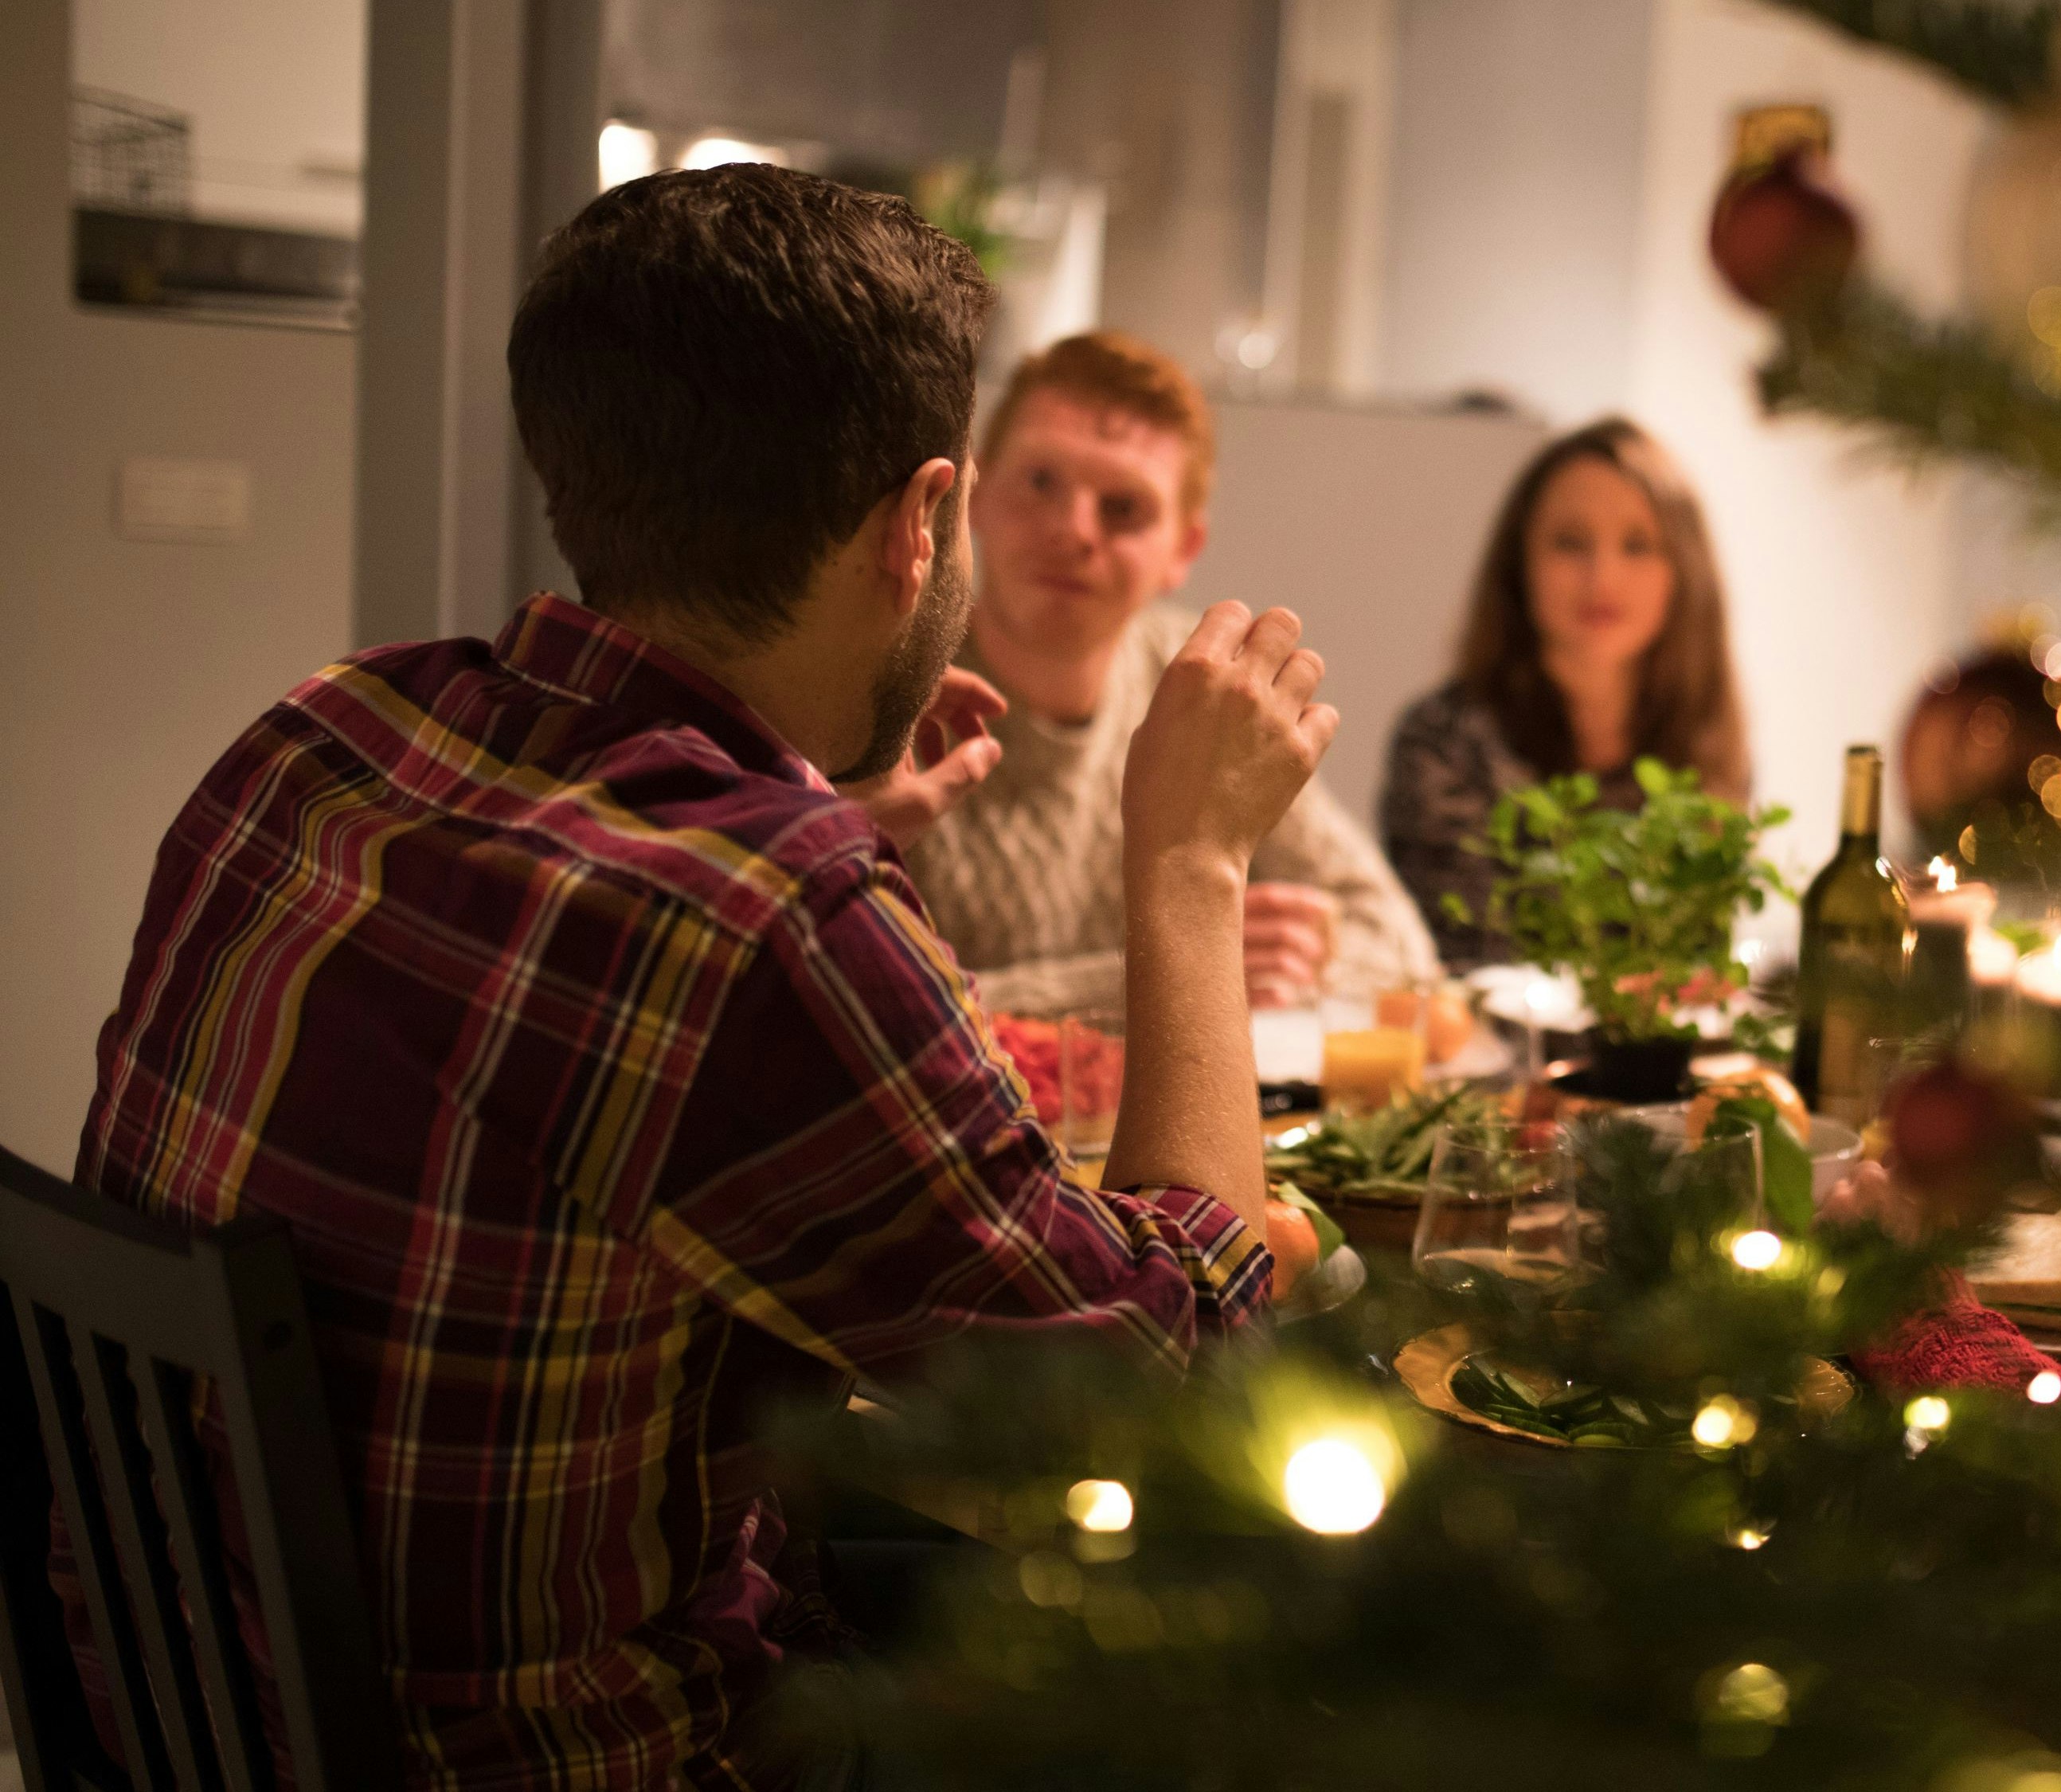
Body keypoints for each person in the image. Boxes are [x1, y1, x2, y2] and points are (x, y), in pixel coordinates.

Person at [70, 165, 1320, 1787]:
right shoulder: (762, 919)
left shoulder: (325, 732)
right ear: (921, 521)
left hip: (194, 1725)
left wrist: (820, 825)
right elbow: (1171, 1398)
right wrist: (1192, 862)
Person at [901, 330, 1437, 1014]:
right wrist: (1182, 964)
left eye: (1123, 508)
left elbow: (1400, 944)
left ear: (1183, 549)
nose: (1073, 530)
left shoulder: (1201, 682)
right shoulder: (889, 685)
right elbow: (871, 1007)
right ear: (975, 493)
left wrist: (1303, 960)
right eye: (1041, 482)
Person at [1381, 417, 1751, 969]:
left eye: (1638, 545)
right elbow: (1464, 970)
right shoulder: (1444, 741)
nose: (1603, 577)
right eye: (1570, 543)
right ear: (1520, 564)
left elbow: (1696, 970)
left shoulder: (1708, 742)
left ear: (1683, 570)